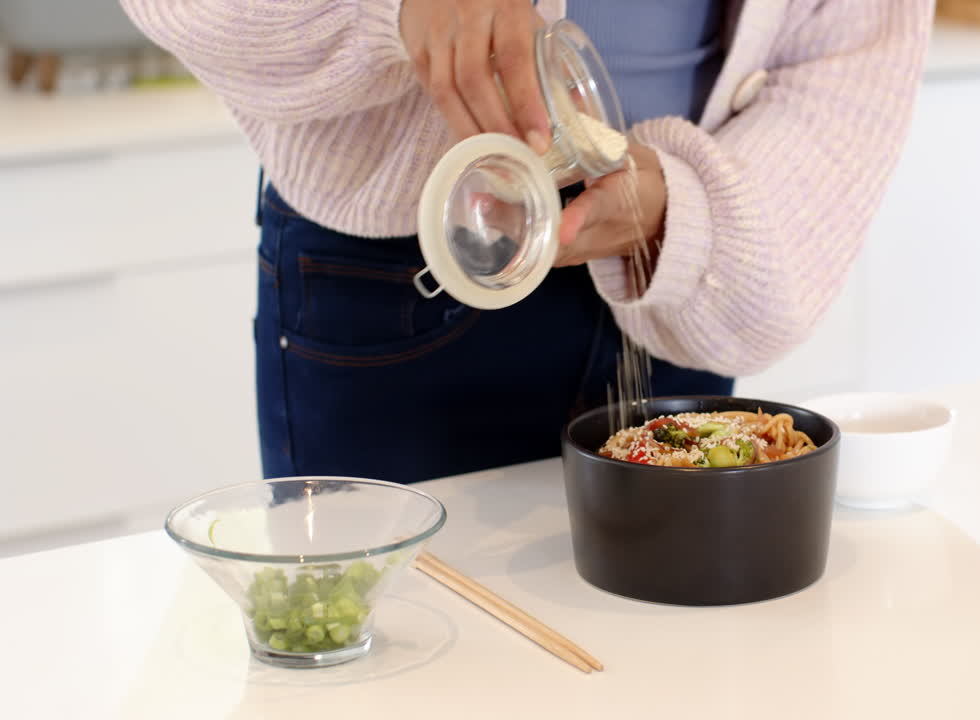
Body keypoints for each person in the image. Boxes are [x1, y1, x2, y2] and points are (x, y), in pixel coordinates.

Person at [119, 0, 933, 484]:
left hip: (680, 269)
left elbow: (853, 55)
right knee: (397, 676)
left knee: (668, 671)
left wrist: (681, 214)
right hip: (402, 275)